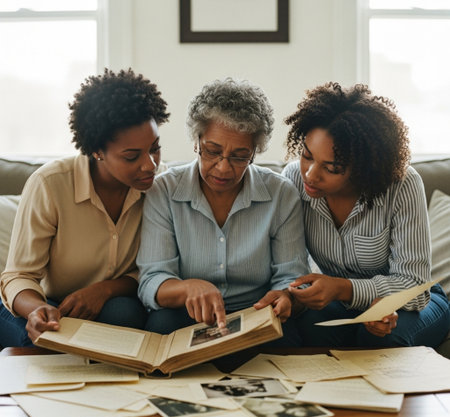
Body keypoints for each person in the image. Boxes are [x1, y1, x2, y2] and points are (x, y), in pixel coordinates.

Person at [0, 68, 170, 346]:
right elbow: (19, 275)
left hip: (112, 302)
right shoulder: (51, 184)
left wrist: (104, 290)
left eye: (155, 148)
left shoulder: (161, 185)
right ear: (96, 151)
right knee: (42, 340)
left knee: (125, 316)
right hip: (46, 301)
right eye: (131, 156)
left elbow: (156, 268)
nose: (149, 165)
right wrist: (36, 310)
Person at [137, 78, 310, 345]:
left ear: (255, 152)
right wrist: (187, 288)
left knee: (290, 336)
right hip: (188, 315)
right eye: (212, 151)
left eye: (240, 156)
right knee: (162, 324)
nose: (223, 168)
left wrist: (285, 296)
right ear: (197, 140)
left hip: (255, 314)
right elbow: (151, 280)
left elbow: (291, 276)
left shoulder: (280, 194)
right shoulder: (164, 190)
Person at [282, 82, 450, 347]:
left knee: (385, 338)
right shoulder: (292, 179)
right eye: (306, 155)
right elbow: (287, 265)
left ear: (363, 167)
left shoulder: (402, 185)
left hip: (411, 305)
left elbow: (415, 288)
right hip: (340, 307)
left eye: (332, 167)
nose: (311, 174)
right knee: (305, 326)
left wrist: (342, 288)